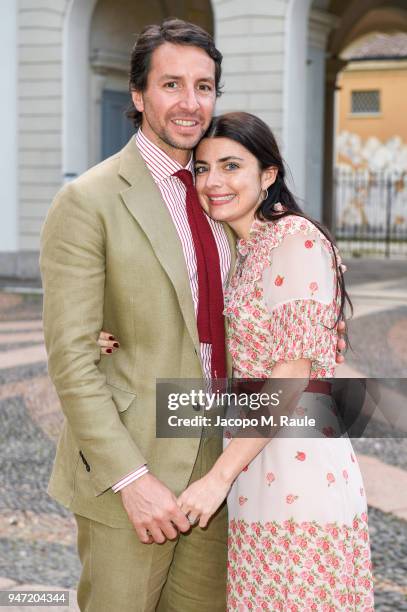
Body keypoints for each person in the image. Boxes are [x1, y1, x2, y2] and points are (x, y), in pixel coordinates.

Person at [40, 18, 346, 612]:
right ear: (139, 95)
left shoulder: (222, 198)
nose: (190, 102)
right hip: (134, 462)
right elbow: (72, 360)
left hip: (223, 455)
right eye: (171, 84)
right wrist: (130, 480)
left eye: (204, 86)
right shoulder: (88, 201)